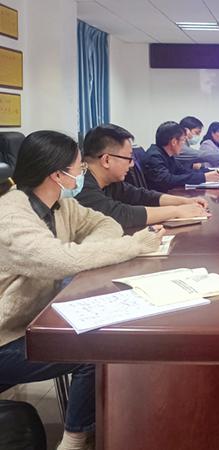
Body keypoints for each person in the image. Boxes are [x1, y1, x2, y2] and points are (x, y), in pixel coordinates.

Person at [0, 131, 163, 450]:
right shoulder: (11, 216)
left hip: (33, 322)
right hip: (6, 339)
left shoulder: (59, 205)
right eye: (79, 168)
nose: (82, 174)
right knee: (93, 351)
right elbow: (61, 261)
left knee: (104, 333)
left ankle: (101, 424)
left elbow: (106, 225)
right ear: (57, 174)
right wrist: (132, 246)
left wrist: (85, 252)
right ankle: (75, 440)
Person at [76, 124, 210, 229]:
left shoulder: (108, 181)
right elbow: (120, 215)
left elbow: (142, 195)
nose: (132, 164)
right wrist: (177, 211)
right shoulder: (80, 185)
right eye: (129, 158)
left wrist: (185, 202)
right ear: (106, 160)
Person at [143, 121, 219, 192]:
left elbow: (184, 171)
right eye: (183, 140)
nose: (183, 145)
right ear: (174, 142)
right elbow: (167, 180)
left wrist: (210, 172)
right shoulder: (154, 156)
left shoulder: (168, 155)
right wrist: (203, 177)